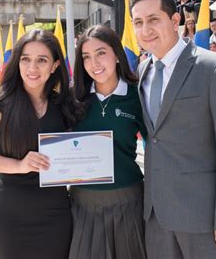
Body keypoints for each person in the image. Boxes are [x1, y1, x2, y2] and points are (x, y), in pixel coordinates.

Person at [131, 0, 216, 259]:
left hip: (204, 218)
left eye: (153, 19)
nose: (145, 29)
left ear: (175, 21)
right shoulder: (142, 71)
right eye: (138, 22)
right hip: (156, 217)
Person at [0, 30, 75, 258]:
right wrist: (19, 165)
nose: (32, 68)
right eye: (25, 59)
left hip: (56, 216)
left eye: (41, 60)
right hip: (11, 216)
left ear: (55, 65)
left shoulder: (65, 105)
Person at [69, 25, 147, 258]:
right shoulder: (73, 99)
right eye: (86, 57)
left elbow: (159, 145)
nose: (94, 63)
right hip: (83, 206)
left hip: (128, 201)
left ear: (116, 54)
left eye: (101, 53)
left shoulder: (138, 96)